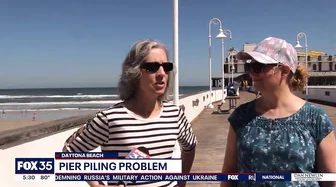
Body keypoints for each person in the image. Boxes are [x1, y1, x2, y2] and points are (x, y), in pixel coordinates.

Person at [62, 39, 197, 187]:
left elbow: (190, 147)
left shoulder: (175, 114)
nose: (162, 73)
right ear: (135, 72)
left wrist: (181, 181)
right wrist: (96, 184)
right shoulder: (111, 119)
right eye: (152, 67)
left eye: (166, 67)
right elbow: (70, 150)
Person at [220, 37, 336, 187]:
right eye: (250, 66)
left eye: (258, 66)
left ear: (284, 71)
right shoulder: (241, 116)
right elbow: (229, 173)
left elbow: (330, 179)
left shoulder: (316, 118)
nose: (251, 73)